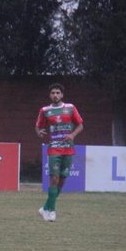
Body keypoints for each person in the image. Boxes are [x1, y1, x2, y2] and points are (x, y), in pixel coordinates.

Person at [35, 83, 84, 222]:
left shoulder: (70, 108)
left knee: (62, 180)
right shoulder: (45, 110)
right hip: (54, 148)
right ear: (49, 95)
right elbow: (38, 127)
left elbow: (80, 125)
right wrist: (40, 132)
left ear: (62, 95)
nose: (55, 95)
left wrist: (72, 135)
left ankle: (45, 207)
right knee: (54, 178)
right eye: (52, 93)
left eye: (57, 92)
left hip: (68, 148)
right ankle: (52, 210)